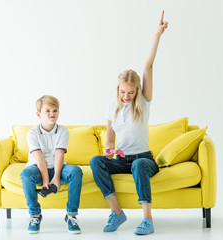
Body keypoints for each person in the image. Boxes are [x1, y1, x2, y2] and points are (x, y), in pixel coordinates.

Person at [90, 11, 168, 235]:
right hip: (121, 159)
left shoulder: (143, 102)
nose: (127, 96)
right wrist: (108, 150)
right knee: (96, 162)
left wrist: (157, 35)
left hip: (144, 160)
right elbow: (111, 137)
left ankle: (147, 219)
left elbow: (148, 67)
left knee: (138, 165)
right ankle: (116, 212)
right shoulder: (112, 107)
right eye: (123, 92)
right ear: (118, 89)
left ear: (137, 91)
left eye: (131, 93)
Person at [20, 95, 83, 234]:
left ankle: (71, 216)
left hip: (57, 168)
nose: (52, 114)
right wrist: (46, 181)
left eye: (55, 110)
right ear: (39, 114)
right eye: (47, 110)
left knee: (76, 171)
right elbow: (40, 159)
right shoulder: (32, 133)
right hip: (37, 168)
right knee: (25, 174)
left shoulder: (63, 131)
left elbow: (59, 154)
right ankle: (35, 215)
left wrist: (56, 177)